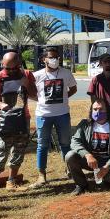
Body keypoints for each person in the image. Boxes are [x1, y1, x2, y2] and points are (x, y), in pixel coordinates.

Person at [0, 51, 37, 202]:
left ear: (20, 64)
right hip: (4, 121)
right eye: (8, 68)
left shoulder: (26, 74)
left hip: (22, 119)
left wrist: (27, 84)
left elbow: (35, 96)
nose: (11, 71)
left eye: (15, 68)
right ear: (2, 65)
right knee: (1, 152)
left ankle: (11, 182)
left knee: (19, 150)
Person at [30, 47, 77, 189]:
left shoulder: (65, 73)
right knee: (42, 145)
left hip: (62, 114)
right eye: (51, 57)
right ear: (44, 59)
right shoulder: (37, 75)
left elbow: (73, 88)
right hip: (43, 115)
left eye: (56, 57)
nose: (54, 60)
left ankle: (69, 169)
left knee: (65, 143)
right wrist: (40, 101)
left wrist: (64, 98)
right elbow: (30, 92)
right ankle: (41, 174)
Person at [65, 99, 110, 195]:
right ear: (91, 110)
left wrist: (107, 166)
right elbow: (75, 141)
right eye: (95, 109)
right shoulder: (85, 124)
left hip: (107, 161)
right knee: (70, 156)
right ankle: (81, 185)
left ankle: (104, 178)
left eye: (101, 109)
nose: (98, 112)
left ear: (107, 110)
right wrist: (87, 155)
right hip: (90, 161)